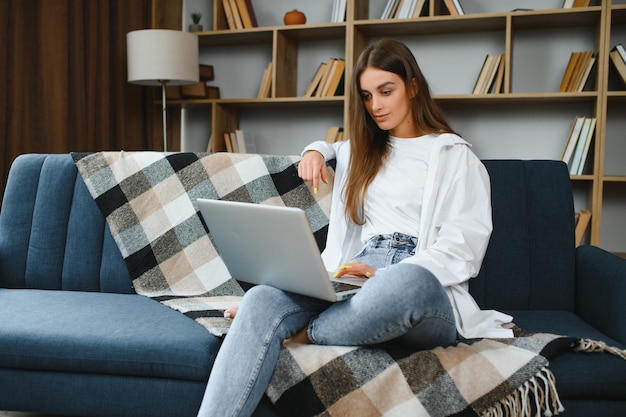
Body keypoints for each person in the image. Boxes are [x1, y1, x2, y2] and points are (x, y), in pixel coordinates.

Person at [196, 38, 513, 417]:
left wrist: (387, 274)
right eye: (366, 96)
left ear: (413, 87)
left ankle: (306, 332)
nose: (376, 105)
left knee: (404, 283)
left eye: (386, 91)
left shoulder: (455, 155)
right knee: (261, 299)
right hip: (356, 276)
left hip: (421, 285)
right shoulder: (363, 151)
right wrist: (315, 151)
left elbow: (464, 247)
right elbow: (334, 148)